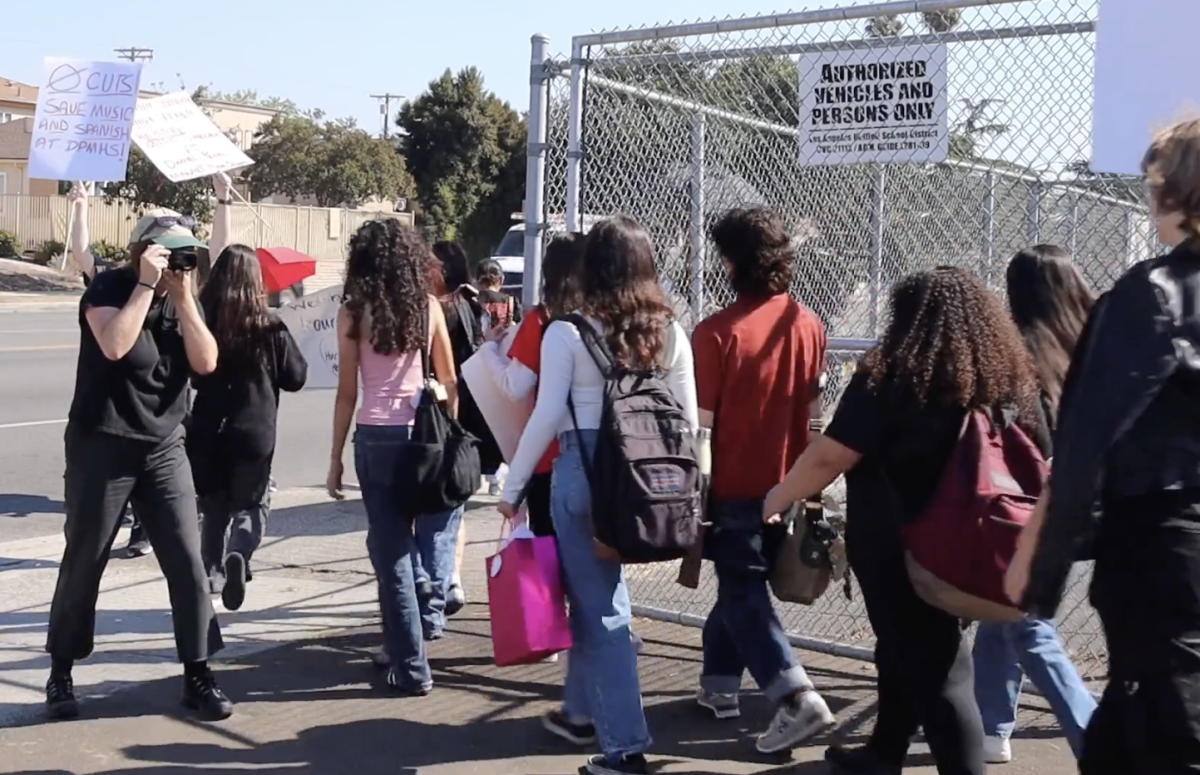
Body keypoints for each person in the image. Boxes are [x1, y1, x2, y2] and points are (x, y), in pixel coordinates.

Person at [763, 267, 1048, 775]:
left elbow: (834, 454)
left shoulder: (893, 375)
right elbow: (1041, 453)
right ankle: (884, 752)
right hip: (975, 541)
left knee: (942, 671)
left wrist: (780, 494)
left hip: (900, 547)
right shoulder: (1005, 378)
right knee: (902, 647)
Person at [1011, 118, 1200, 774]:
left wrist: (1039, 574)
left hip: (1165, 558)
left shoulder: (1151, 294)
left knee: (1158, 732)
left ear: (1173, 192)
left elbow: (1085, 444)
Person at [498, 216, 699, 775]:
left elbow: (543, 418)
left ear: (592, 269)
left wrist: (512, 491)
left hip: (582, 475)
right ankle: (588, 709)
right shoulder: (672, 332)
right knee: (601, 607)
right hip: (653, 477)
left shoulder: (565, 332)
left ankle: (624, 745)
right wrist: (695, 489)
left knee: (600, 607)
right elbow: (686, 420)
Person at [47, 210, 228, 721]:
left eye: (183, 252)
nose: (177, 261)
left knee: (188, 562)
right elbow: (115, 344)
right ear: (141, 250)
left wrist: (186, 298)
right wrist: (147, 286)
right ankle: (61, 672)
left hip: (163, 446)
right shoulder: (108, 288)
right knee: (86, 558)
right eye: (167, 251)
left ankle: (199, 674)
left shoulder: (183, 298)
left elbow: (207, 361)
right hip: (102, 443)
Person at [691, 208, 835, 753]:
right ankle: (720, 687)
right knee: (738, 588)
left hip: (735, 486)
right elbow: (816, 414)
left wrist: (694, 494)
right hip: (791, 481)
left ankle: (794, 695)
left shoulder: (716, 332)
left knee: (742, 590)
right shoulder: (809, 324)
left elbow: (701, 431)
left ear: (731, 262)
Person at [971, 245, 1097, 764]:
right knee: (1000, 617)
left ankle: (1093, 733)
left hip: (1024, 508)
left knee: (1026, 622)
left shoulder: (1015, 357)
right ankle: (991, 726)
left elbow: (1014, 440)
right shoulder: (1089, 348)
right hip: (1081, 506)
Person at [326, 219, 460, 694]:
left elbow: (347, 393)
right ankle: (426, 595)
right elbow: (450, 382)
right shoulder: (428, 308)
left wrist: (335, 457)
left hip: (375, 438)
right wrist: (447, 426)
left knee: (391, 554)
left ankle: (411, 667)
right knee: (416, 537)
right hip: (422, 437)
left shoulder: (352, 313)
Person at [189, 244, 308, 611]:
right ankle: (239, 551)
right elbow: (296, 377)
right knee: (252, 502)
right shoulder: (269, 324)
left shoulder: (200, 319)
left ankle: (211, 572)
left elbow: (192, 374)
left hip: (208, 427)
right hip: (254, 429)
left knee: (213, 505)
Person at [476, 233, 585, 537]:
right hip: (600, 454)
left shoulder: (542, 320)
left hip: (550, 456)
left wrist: (487, 351)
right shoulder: (603, 319)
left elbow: (516, 385)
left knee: (549, 560)